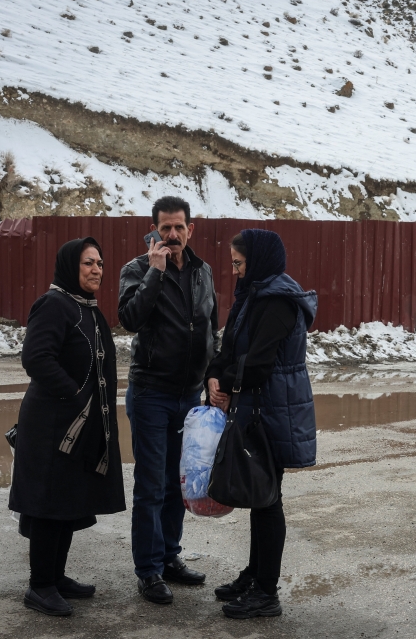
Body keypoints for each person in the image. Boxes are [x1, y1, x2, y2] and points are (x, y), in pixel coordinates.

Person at [9, 237, 125, 617]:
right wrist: (75, 395)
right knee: (48, 503)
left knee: (67, 501)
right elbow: (36, 358)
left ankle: (55, 578)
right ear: (69, 266)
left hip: (77, 425)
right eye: (88, 263)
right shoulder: (54, 305)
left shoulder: (86, 309)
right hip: (51, 425)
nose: (97, 270)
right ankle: (40, 586)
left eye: (100, 263)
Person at [204, 229, 317, 619]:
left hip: (273, 409)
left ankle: (266, 592)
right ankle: (255, 575)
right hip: (256, 406)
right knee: (260, 494)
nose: (235, 271)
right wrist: (213, 377)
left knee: (267, 499)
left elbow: (259, 363)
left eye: (239, 263)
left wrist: (228, 383)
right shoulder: (252, 295)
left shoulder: (278, 302)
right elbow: (230, 349)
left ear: (258, 261)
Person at [118, 196, 219, 604]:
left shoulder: (203, 271)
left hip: (189, 397)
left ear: (190, 229)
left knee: (179, 483)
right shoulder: (136, 269)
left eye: (179, 227)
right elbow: (130, 319)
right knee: (151, 486)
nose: (173, 234)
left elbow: (211, 328)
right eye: (166, 228)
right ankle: (148, 571)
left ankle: (169, 556)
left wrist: (213, 377)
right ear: (154, 230)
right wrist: (154, 273)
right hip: (151, 394)